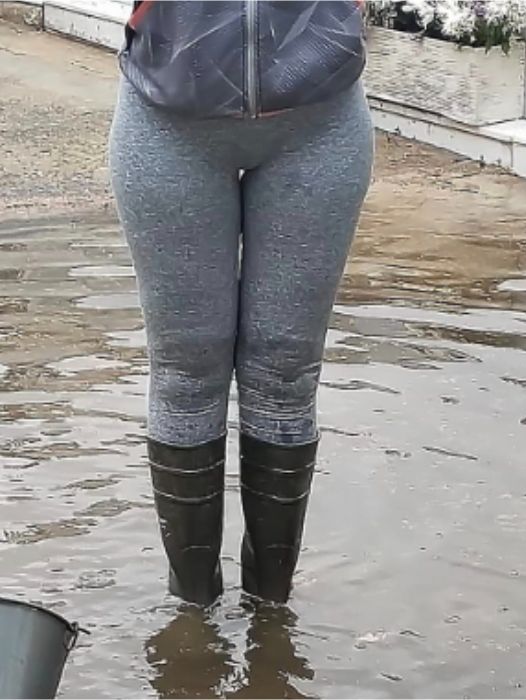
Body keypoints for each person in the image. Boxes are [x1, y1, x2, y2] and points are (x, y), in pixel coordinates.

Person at [107, 0, 375, 606]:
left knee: (286, 370)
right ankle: (192, 619)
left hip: (319, 122)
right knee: (185, 371)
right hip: (169, 119)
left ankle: (271, 614)